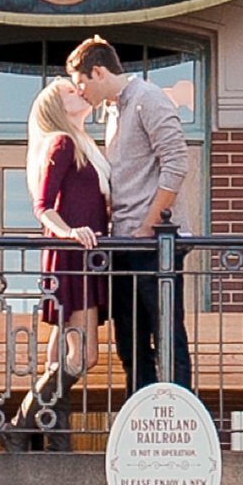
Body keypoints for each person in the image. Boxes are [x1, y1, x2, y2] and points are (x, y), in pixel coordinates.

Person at [66, 37, 191, 396]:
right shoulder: (113, 111)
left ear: (99, 71)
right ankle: (141, 421)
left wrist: (148, 226)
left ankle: (178, 419)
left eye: (82, 82)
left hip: (154, 245)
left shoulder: (148, 99)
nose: (80, 91)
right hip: (123, 243)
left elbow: (176, 163)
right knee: (130, 344)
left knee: (167, 338)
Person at [15, 77, 110, 444]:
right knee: (84, 356)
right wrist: (70, 231)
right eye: (70, 92)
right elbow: (42, 207)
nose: (79, 92)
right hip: (74, 257)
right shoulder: (62, 142)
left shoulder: (85, 144)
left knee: (59, 358)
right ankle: (21, 424)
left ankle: (57, 440)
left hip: (85, 256)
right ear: (56, 106)